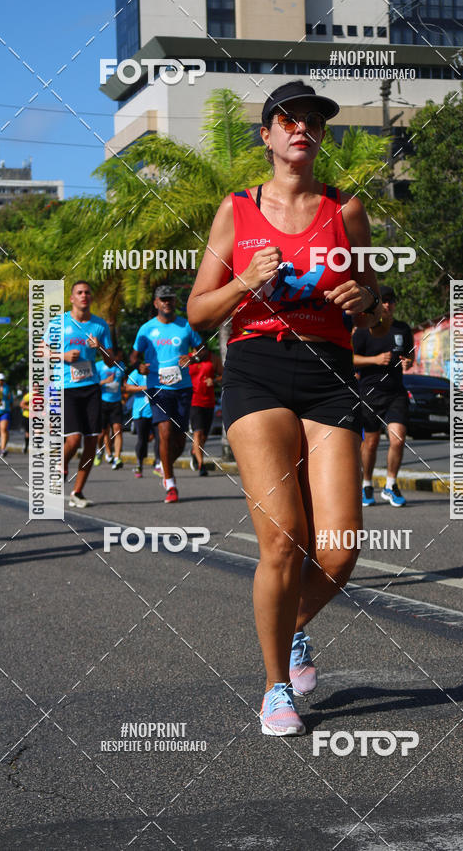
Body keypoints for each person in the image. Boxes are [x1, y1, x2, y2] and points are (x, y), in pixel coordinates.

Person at [187, 80, 381, 736]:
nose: (302, 128)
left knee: (342, 546)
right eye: (288, 120)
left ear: (321, 138)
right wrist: (244, 281)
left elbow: (376, 306)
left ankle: (293, 624)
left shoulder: (345, 210)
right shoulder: (236, 211)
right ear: (267, 136)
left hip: (328, 373)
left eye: (314, 122)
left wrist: (367, 304)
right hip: (258, 370)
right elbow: (197, 312)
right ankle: (276, 690)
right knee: (283, 541)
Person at [42, 281, 113, 508]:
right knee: (73, 439)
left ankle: (77, 491)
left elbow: (111, 361)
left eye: (87, 293)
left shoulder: (99, 325)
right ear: (72, 298)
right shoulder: (58, 323)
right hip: (66, 388)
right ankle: (57, 469)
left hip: (91, 387)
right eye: (79, 293)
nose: (84, 296)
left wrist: (100, 347)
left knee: (92, 442)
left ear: (91, 298)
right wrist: (61, 356)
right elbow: (40, 349)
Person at [130, 285, 202, 503]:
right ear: (156, 303)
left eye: (170, 299)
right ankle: (171, 484)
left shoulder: (186, 326)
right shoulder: (146, 329)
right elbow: (134, 356)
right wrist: (139, 367)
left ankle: (163, 464)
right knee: (165, 431)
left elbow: (202, 350)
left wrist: (193, 356)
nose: (167, 302)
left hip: (183, 388)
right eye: (163, 299)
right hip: (157, 388)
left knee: (179, 441)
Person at [352, 284, 413, 508]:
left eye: (391, 301)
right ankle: (366, 484)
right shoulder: (363, 330)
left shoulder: (402, 330)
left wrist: (409, 362)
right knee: (371, 442)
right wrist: (374, 360)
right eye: (383, 301)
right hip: (369, 393)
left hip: (395, 392)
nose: (387, 305)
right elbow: (350, 358)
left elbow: (409, 356)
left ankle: (390, 484)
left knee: (397, 438)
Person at [189, 345, 221, 476]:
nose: (196, 353)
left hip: (208, 401)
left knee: (204, 436)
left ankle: (194, 452)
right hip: (193, 401)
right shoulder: (188, 359)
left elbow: (224, 375)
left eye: (200, 350)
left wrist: (213, 380)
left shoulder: (213, 359)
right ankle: (201, 465)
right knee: (198, 433)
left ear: (206, 350)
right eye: (195, 350)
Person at [95, 348, 125, 470]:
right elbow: (92, 385)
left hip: (116, 402)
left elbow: (123, 382)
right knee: (103, 432)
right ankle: (100, 450)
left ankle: (117, 457)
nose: (120, 359)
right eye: (118, 356)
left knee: (117, 429)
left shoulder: (121, 366)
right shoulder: (98, 366)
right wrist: (105, 381)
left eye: (121, 357)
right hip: (102, 402)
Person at [124, 367, 157, 477]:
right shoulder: (136, 373)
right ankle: (139, 465)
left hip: (157, 411)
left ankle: (158, 464)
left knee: (160, 438)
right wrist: (145, 388)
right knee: (142, 440)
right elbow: (128, 388)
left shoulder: (156, 370)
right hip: (141, 412)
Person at [0, 373, 13, 457]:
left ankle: (3, 449)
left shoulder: (7, 387)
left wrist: (10, 409)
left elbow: (10, 399)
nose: (1, 382)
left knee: (3, 429)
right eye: (0, 380)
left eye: (2, 380)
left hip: (5, 411)